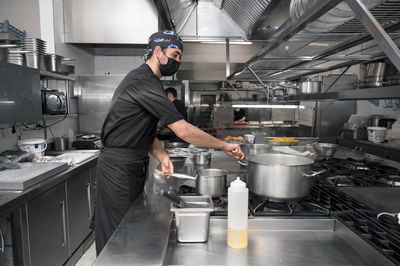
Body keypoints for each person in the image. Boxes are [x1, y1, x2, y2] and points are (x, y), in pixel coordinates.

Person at [94, 30, 244, 255]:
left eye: (180, 57)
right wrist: (224, 145)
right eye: (175, 54)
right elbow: (183, 130)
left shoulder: (147, 81)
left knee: (128, 228)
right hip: (118, 168)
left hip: (129, 165)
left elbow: (141, 129)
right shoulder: (143, 81)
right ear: (157, 52)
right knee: (118, 236)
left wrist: (162, 155)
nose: (177, 61)